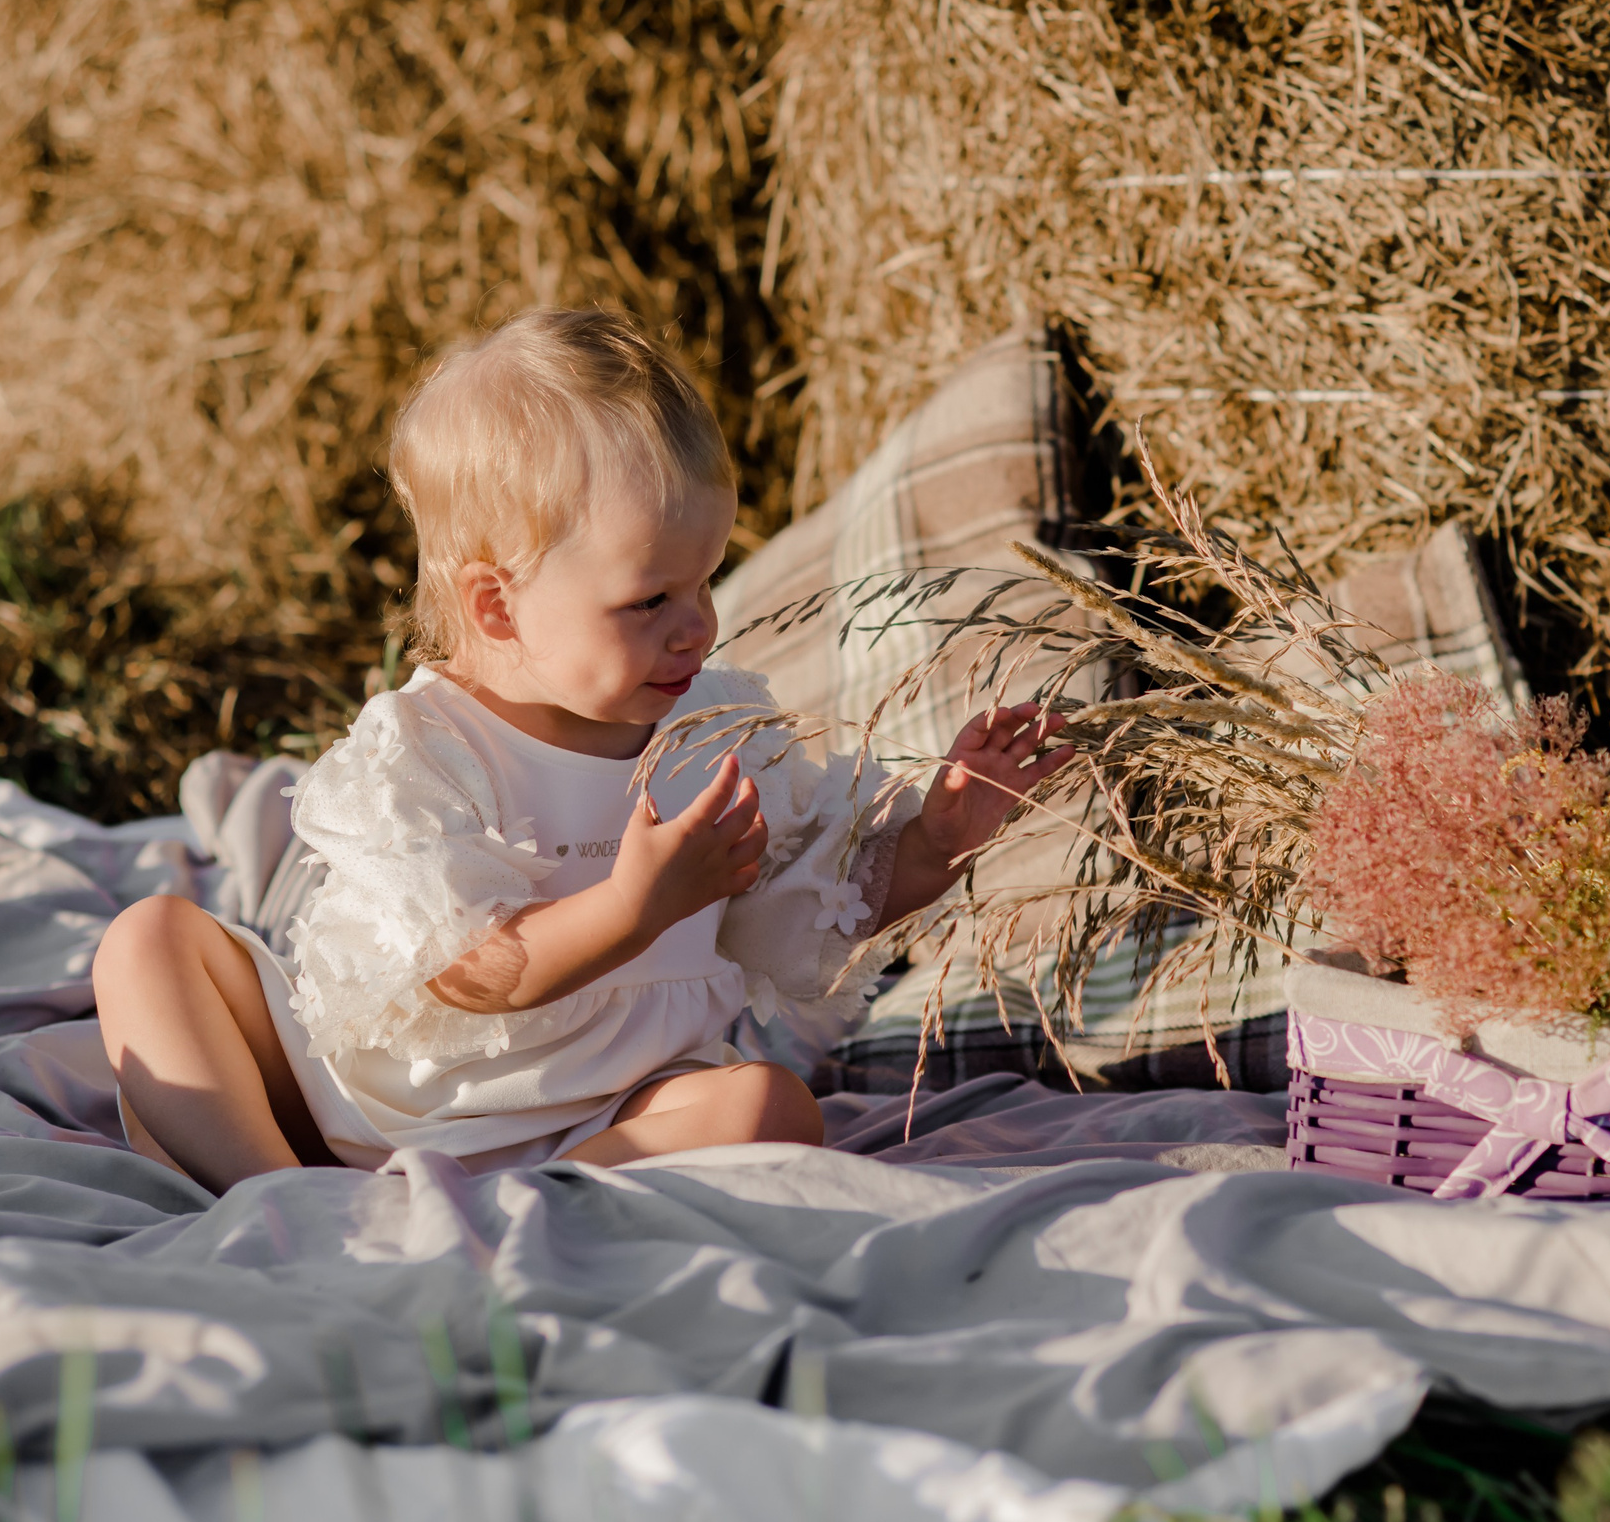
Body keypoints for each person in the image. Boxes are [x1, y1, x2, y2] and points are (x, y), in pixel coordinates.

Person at [93, 310, 1069, 1194]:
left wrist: (937, 838)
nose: (698, 626)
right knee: (150, 941)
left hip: (601, 1124)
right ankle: (275, 1188)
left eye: (706, 582)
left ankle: (500, 1197)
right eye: (650, 600)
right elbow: (466, 973)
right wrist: (631, 907)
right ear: (496, 604)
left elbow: (812, 904)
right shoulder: (425, 750)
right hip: (350, 1111)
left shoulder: (714, 729)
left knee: (769, 1106)